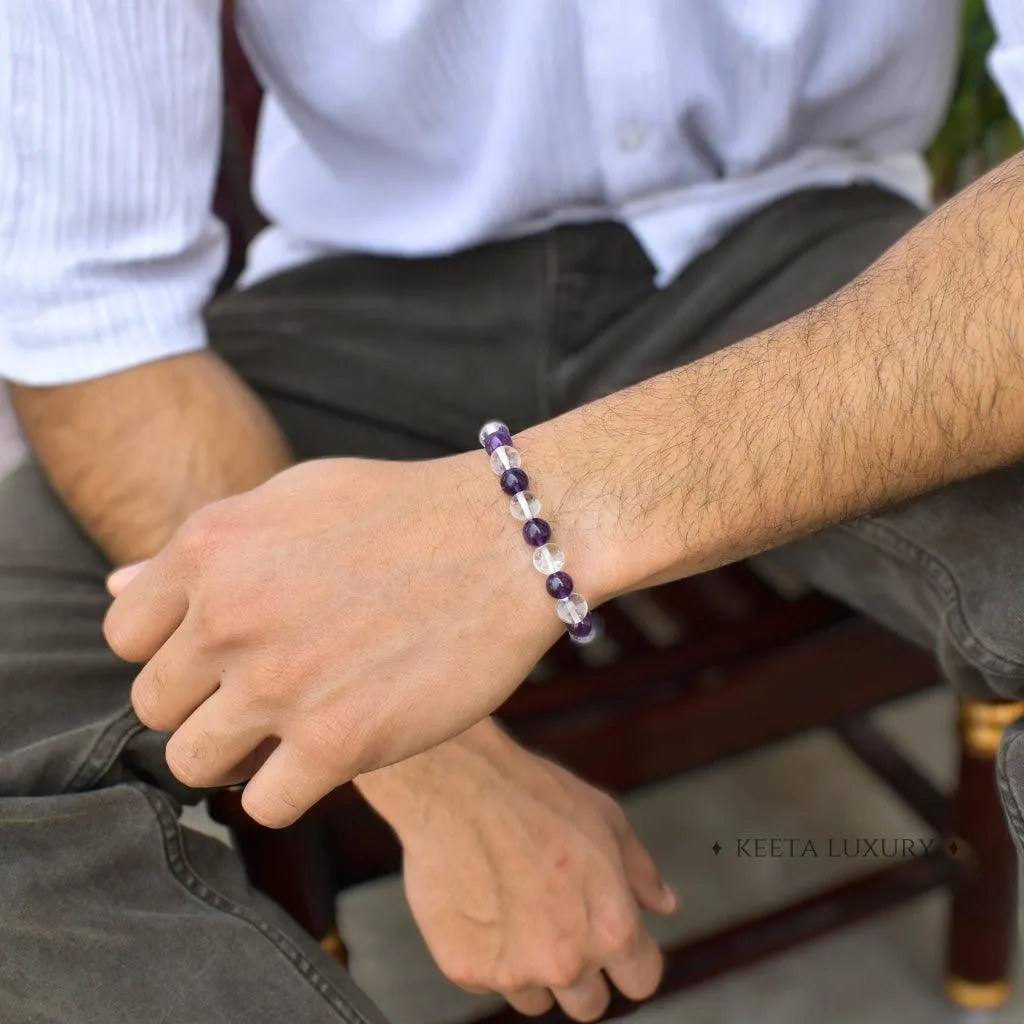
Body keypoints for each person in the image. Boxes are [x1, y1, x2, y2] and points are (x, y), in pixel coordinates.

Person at [3, 2, 1024, 1022]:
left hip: (820, 272)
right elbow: (96, 311)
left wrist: (525, 524)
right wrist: (439, 772)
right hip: (356, 301)